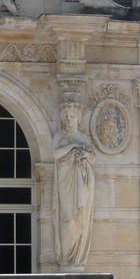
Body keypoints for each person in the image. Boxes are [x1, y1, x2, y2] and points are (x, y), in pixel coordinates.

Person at [52, 102, 96, 267]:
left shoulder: (84, 138)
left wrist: (84, 155)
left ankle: (77, 259)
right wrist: (73, 146)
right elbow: (55, 154)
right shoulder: (60, 137)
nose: (69, 119)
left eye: (72, 116)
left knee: (80, 218)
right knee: (68, 218)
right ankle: (67, 259)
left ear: (78, 119)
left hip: (83, 180)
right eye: (67, 116)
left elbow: (92, 158)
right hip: (66, 181)